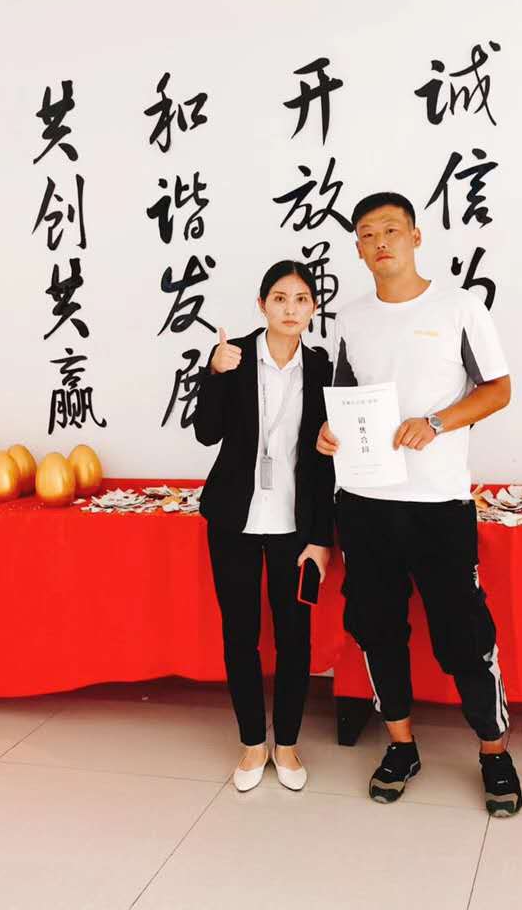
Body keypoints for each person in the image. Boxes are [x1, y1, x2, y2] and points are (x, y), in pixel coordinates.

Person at [316, 192, 522, 817]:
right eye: (366, 233)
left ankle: (494, 751)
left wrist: (436, 422)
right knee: (376, 627)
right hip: (364, 501)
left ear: (415, 237)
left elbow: (498, 389)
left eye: (391, 229)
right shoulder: (351, 318)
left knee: (464, 634)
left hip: (438, 502)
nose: (379, 241)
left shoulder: (458, 306)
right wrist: (329, 433)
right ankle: (401, 746)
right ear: (358, 248)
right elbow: (344, 399)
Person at [194, 260, 334, 791]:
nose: (290, 309)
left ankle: (288, 745)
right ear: (261, 305)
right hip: (234, 520)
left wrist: (321, 538)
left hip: (295, 528)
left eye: (301, 299)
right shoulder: (233, 357)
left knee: (295, 639)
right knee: (241, 635)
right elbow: (206, 432)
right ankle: (253, 743)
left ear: (313, 308)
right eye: (279, 298)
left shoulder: (321, 368)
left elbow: (325, 463)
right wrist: (213, 374)